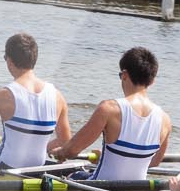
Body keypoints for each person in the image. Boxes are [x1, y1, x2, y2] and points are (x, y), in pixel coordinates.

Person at [51, 46, 171, 180]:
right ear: (152, 81)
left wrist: (58, 152)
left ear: (124, 75)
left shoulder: (109, 109)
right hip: (137, 190)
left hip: (100, 188)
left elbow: (72, 150)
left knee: (72, 175)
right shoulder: (165, 120)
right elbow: (154, 162)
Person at [0, 32, 69, 172]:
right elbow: (65, 141)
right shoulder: (58, 96)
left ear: (9, 61)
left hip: (5, 165)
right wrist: (37, 148)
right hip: (36, 168)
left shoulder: (3, 95)